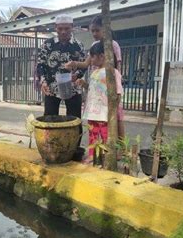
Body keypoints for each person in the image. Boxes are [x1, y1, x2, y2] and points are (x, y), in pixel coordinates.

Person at [65, 15, 125, 140]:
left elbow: (117, 64)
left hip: (109, 85)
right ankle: (100, 149)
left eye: (97, 30)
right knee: (98, 122)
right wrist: (75, 64)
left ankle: (120, 149)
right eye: (92, 30)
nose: (94, 33)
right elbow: (87, 63)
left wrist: (116, 82)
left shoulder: (113, 45)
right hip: (97, 86)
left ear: (105, 29)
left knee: (116, 118)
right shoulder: (94, 45)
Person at [37, 14, 85, 144]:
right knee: (49, 119)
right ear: (56, 28)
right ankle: (51, 146)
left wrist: (78, 75)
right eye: (60, 29)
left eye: (67, 28)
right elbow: (40, 65)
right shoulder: (48, 45)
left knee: (75, 120)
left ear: (72, 28)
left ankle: (74, 148)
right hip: (52, 88)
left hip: (73, 88)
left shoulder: (78, 46)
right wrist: (43, 82)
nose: (63, 31)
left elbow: (84, 65)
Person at [77, 41, 123, 163]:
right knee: (93, 135)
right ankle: (93, 156)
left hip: (104, 112)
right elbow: (93, 89)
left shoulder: (113, 72)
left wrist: (113, 112)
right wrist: (84, 84)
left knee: (105, 135)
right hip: (92, 112)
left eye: (92, 56)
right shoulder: (94, 73)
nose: (90, 59)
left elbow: (118, 92)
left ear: (101, 56)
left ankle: (107, 156)